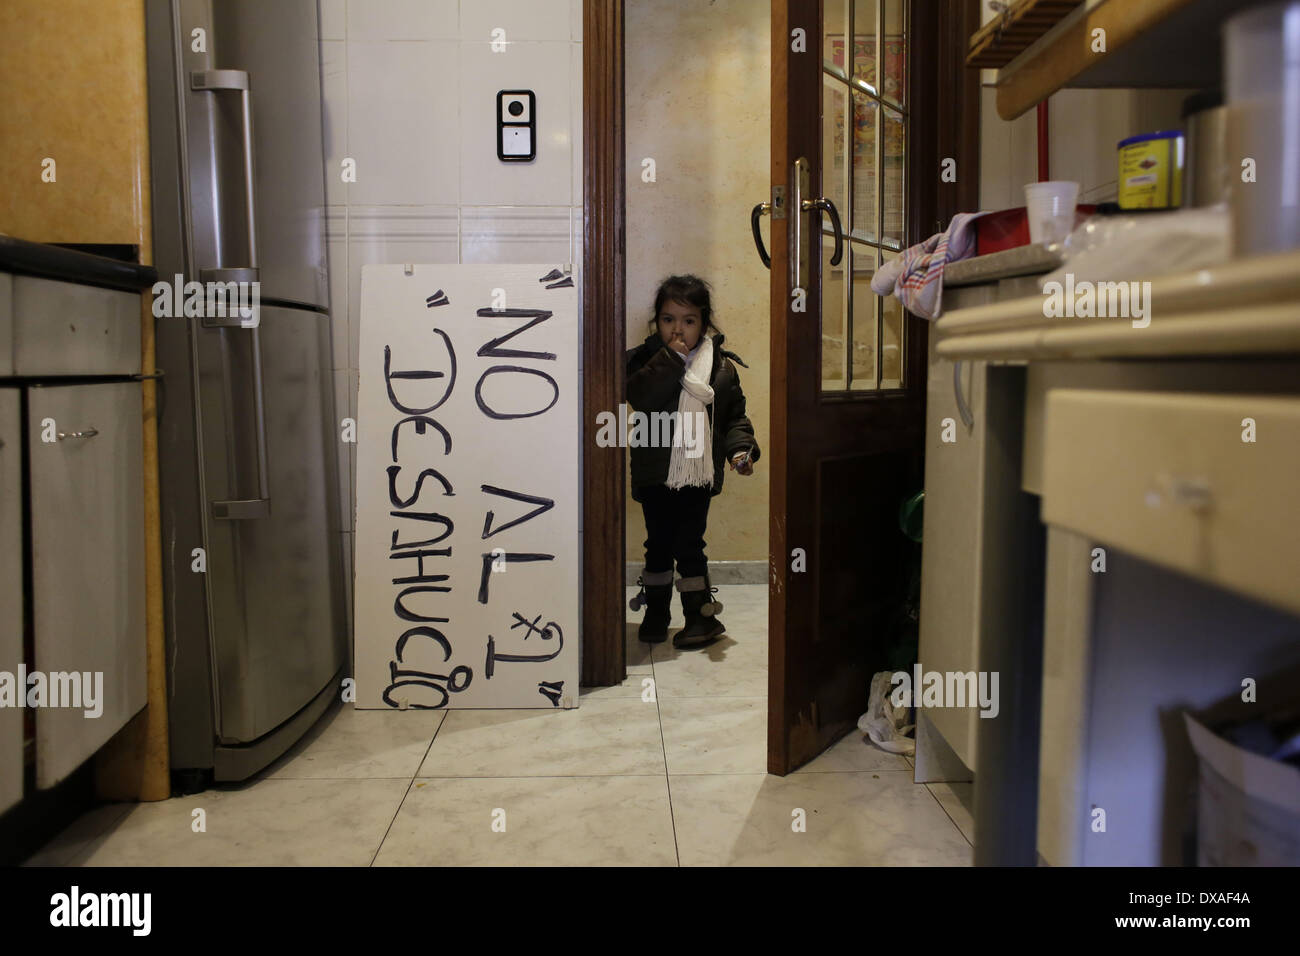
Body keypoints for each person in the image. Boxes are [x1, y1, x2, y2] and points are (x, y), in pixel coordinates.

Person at [625, 274, 760, 648]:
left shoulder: (720, 369)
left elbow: (734, 418)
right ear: (657, 320)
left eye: (688, 320)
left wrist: (740, 450)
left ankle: (700, 617)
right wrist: (671, 359)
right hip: (655, 473)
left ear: (704, 322)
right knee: (657, 545)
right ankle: (655, 613)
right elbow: (642, 397)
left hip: (697, 475)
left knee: (689, 544)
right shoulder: (644, 360)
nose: (678, 329)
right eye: (669, 319)